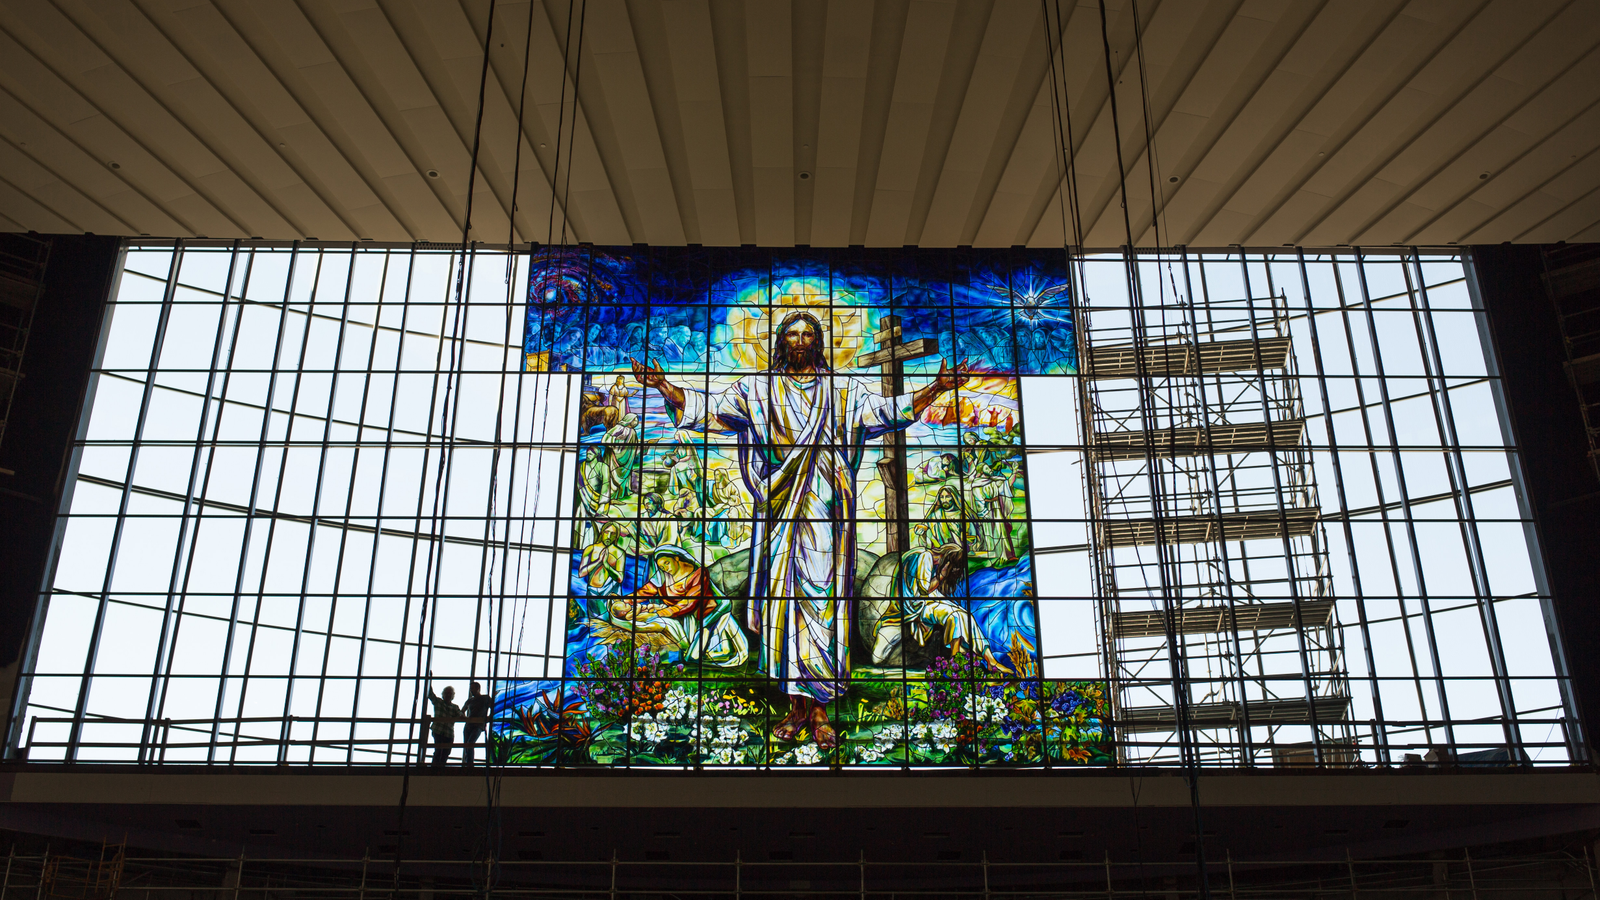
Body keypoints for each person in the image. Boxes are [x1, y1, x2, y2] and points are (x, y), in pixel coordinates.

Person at [630, 311, 971, 749]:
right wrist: (661, 385)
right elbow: (709, 410)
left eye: (809, 333)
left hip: (827, 516)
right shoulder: (756, 390)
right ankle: (795, 706)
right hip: (780, 516)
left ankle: (821, 710)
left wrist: (937, 388)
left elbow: (888, 412)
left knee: (823, 607)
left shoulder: (842, 392)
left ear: (819, 341)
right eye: (792, 334)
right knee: (783, 608)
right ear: (780, 342)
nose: (800, 340)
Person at [871, 543, 1011, 673]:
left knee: (965, 615)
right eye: (954, 567)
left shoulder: (924, 556)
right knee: (956, 615)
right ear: (947, 560)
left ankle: (989, 658)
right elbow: (924, 591)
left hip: (928, 600)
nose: (954, 571)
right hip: (918, 606)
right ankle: (957, 661)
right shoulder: (925, 556)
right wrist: (942, 575)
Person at [607, 545, 749, 667]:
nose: (665, 569)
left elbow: (689, 602)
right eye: (661, 566)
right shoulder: (662, 575)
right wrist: (627, 600)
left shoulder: (698, 574)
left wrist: (660, 613)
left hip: (705, 612)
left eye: (667, 563)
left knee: (694, 656)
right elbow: (647, 590)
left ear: (676, 558)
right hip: (677, 614)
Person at [578, 524, 625, 616]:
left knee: (611, 623)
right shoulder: (590, 549)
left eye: (613, 534)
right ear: (602, 533)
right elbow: (581, 573)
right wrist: (598, 561)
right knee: (594, 623)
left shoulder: (619, 552)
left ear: (616, 536)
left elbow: (620, 578)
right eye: (606, 532)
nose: (609, 536)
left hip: (610, 592)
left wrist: (606, 565)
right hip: (592, 592)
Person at [425, 683, 462, 768]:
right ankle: (434, 768)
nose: (448, 695)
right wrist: (429, 680)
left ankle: (440, 768)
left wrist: (462, 716)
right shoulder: (438, 702)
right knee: (439, 750)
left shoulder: (455, 707)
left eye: (450, 693)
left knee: (446, 752)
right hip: (438, 730)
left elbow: (460, 714)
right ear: (443, 694)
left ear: (452, 696)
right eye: (446, 693)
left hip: (448, 733)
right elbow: (430, 694)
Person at [460, 681, 493, 768]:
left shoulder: (485, 698)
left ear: (478, 689)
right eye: (470, 689)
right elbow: (462, 711)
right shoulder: (470, 700)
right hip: (469, 725)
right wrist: (463, 716)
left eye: (472, 689)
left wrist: (490, 717)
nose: (471, 691)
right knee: (467, 744)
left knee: (470, 743)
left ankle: (469, 764)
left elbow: (494, 707)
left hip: (478, 725)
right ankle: (468, 763)